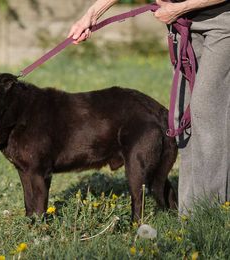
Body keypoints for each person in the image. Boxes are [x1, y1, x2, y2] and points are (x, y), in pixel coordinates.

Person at [68, 0, 230, 215]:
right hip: (183, 23)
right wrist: (92, 13)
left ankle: (210, 213)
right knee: (182, 118)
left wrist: (179, 8)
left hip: (221, 22)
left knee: (207, 111)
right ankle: (190, 212)